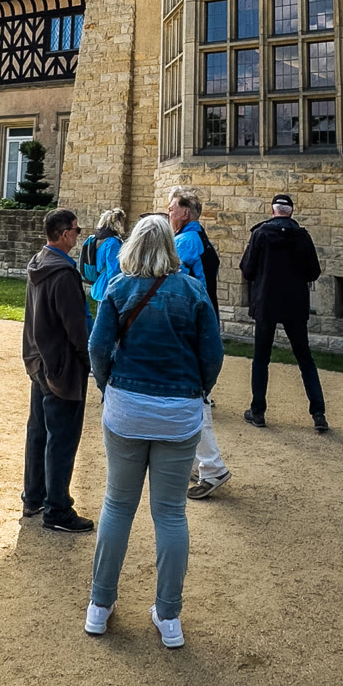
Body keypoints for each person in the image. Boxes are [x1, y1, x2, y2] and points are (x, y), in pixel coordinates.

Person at [86, 215, 223, 648]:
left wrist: (108, 386)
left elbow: (97, 348)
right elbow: (212, 354)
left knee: (117, 505)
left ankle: (99, 605)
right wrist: (198, 390)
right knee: (170, 514)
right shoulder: (193, 291)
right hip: (178, 412)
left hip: (127, 409)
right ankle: (168, 615)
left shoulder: (119, 287)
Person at [22, 207, 94, 532]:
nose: (78, 235)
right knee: (62, 438)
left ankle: (34, 497)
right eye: (76, 230)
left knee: (39, 432)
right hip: (61, 366)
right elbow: (76, 329)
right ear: (65, 234)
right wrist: (88, 360)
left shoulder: (40, 262)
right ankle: (57, 509)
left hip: (39, 360)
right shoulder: (63, 273)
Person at [238, 193, 326, 431]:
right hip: (294, 305)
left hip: (266, 303)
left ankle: (258, 411)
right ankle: (318, 413)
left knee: (261, 358)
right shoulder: (302, 237)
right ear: (291, 212)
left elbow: (247, 269)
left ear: (272, 211)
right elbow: (313, 272)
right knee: (305, 358)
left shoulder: (260, 234)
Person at [168, 187, 230, 500]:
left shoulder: (186, 241)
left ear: (185, 213)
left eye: (171, 209)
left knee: (194, 399)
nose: (168, 213)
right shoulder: (197, 237)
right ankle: (197, 464)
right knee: (189, 396)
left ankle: (212, 468)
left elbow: (169, 279)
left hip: (191, 325)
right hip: (199, 322)